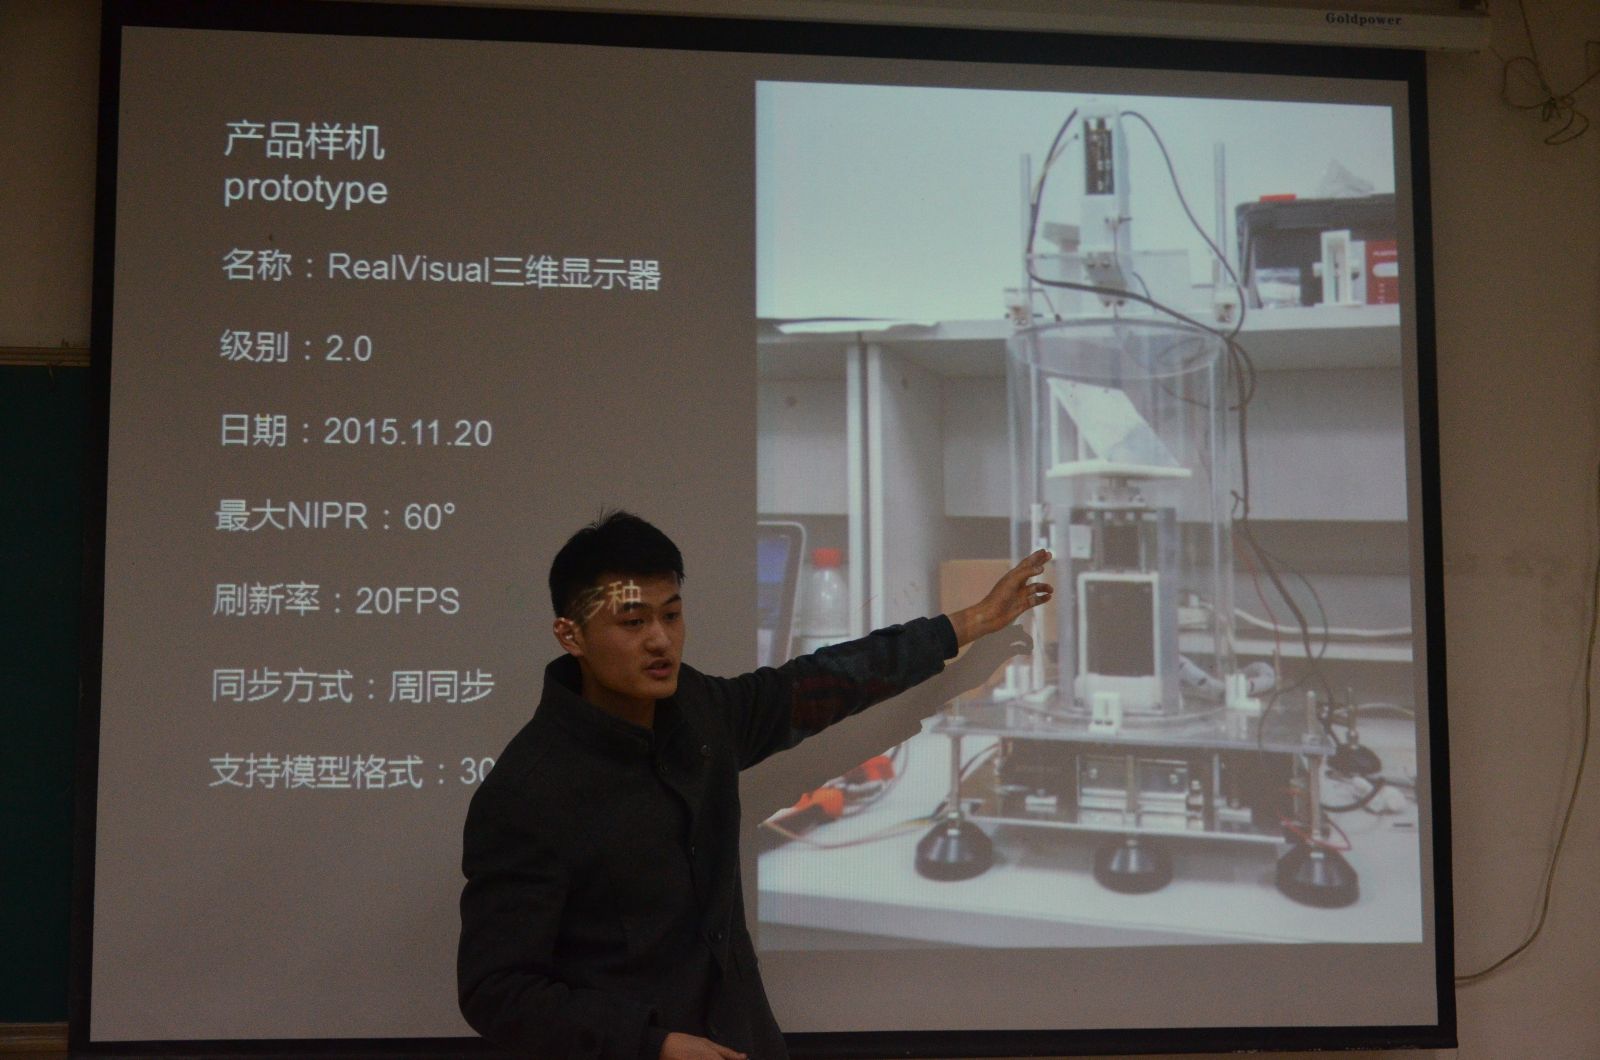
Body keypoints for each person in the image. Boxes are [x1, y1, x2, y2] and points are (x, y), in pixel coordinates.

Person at [458, 511, 1051, 1060]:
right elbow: (496, 990)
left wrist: (967, 624)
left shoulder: (700, 711)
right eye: (633, 622)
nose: (660, 639)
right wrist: (651, 1044)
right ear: (571, 635)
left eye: (671, 614)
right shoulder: (528, 793)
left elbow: (824, 681)